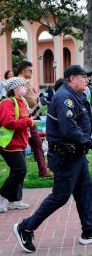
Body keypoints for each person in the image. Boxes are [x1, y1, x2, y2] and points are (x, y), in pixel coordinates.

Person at [13, 65, 92, 253]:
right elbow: (69, 129)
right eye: (83, 77)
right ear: (72, 78)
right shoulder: (64, 97)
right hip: (65, 156)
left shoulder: (76, 95)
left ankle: (89, 231)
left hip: (77, 155)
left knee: (85, 191)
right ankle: (25, 227)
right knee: (60, 196)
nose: (87, 81)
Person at [0, 77, 34, 213]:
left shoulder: (22, 101)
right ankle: (3, 196)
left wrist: (28, 126)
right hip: (9, 144)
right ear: (15, 89)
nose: (25, 88)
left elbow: (24, 119)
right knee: (20, 170)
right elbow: (7, 122)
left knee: (17, 171)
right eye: (22, 86)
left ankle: (15, 200)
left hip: (20, 142)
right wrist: (28, 123)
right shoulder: (7, 103)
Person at [15, 61, 53, 178]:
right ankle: (24, 171)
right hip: (23, 119)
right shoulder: (19, 83)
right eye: (30, 70)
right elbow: (28, 99)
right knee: (27, 145)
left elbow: (33, 98)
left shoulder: (25, 82)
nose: (32, 72)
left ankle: (41, 170)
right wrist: (35, 99)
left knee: (35, 144)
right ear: (23, 71)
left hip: (29, 119)